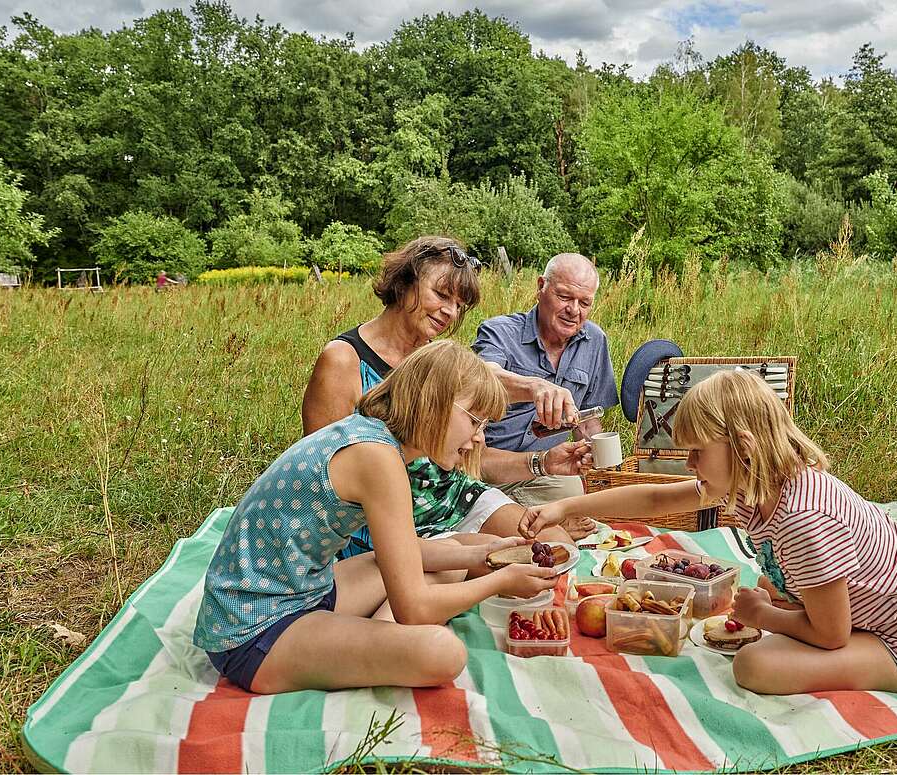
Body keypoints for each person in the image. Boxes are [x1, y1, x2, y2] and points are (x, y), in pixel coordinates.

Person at [520, 369, 897, 696]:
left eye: (697, 453)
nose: (690, 465)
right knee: (776, 607)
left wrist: (764, 616)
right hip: (890, 612)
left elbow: (832, 635)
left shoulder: (805, 520)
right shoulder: (762, 479)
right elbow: (656, 500)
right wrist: (565, 505)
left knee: (754, 666)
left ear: (744, 446)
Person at [193, 340, 559, 694]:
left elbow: (403, 552)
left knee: (461, 551)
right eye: (476, 421)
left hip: (303, 589)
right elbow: (413, 608)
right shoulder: (378, 459)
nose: (480, 438)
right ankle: (377, 641)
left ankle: (373, 639)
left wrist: (485, 557)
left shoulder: (374, 438)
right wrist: (500, 581)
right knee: (443, 653)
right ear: (435, 404)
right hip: (253, 630)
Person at [300, 236, 594, 551]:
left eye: (458, 304)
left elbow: (468, 459)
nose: (450, 312)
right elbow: (322, 475)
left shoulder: (437, 359)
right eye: (441, 295)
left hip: (451, 495)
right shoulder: (344, 359)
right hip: (380, 521)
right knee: (493, 562)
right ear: (404, 283)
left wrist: (543, 463)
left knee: (554, 545)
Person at [473, 253, 617, 506]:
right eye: (564, 297)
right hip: (487, 467)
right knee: (526, 530)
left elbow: (587, 422)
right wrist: (535, 386)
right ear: (541, 287)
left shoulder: (595, 341)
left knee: (582, 520)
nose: (573, 310)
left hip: (548, 468)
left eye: (584, 303)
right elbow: (483, 376)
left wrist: (597, 459)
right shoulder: (500, 331)